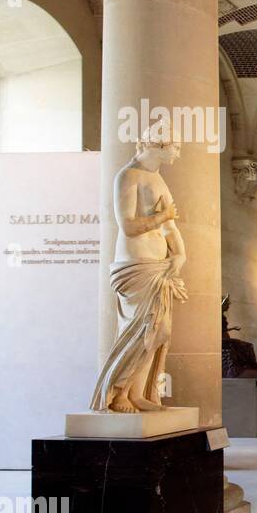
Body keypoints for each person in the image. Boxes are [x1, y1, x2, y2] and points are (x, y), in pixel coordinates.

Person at [91, 138, 188, 414]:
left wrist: (179, 254)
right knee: (143, 330)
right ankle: (118, 393)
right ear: (157, 145)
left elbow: (170, 227)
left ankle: (137, 393)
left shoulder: (158, 180)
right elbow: (129, 226)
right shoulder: (127, 176)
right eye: (175, 147)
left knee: (160, 333)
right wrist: (162, 217)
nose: (178, 152)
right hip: (136, 265)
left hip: (159, 266)